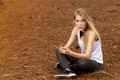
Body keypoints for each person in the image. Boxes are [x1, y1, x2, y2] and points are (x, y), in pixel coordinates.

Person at [54, 8, 103, 78]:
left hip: (95, 63)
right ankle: (68, 70)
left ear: (87, 21)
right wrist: (63, 49)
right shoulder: (76, 29)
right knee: (58, 50)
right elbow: (67, 46)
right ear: (74, 21)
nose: (80, 24)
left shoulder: (92, 33)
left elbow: (87, 56)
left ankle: (66, 66)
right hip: (82, 59)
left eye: (82, 21)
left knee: (82, 63)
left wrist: (70, 53)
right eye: (77, 21)